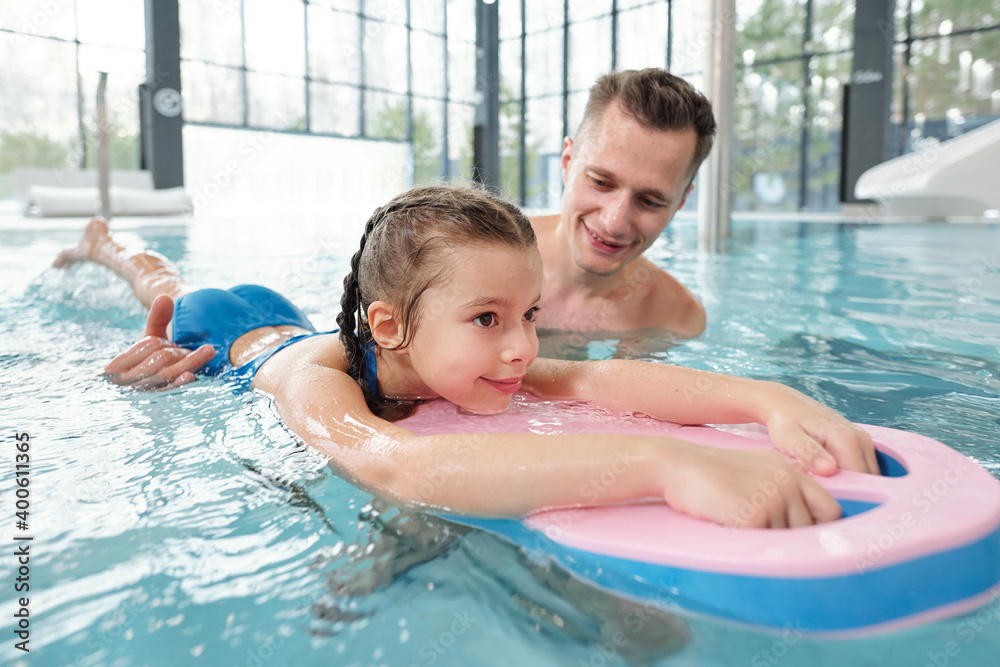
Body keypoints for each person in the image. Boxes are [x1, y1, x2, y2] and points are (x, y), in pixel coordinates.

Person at [53, 184, 879, 528]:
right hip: (223, 337)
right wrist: (662, 462)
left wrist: (767, 398)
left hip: (308, 315)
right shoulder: (318, 383)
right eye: (487, 318)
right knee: (158, 281)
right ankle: (108, 243)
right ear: (389, 328)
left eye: (526, 314)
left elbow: (592, 375)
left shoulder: (467, 355)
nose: (522, 347)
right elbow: (400, 467)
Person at [530, 68, 715, 336]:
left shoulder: (676, 318)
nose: (614, 223)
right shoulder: (475, 262)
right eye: (601, 183)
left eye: (650, 201)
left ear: (680, 203)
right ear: (567, 163)